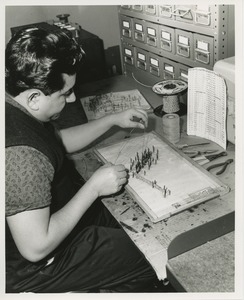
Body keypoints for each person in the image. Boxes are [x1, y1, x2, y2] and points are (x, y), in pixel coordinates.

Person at [5, 27, 159, 293]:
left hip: (54, 214)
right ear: (33, 98)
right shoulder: (21, 155)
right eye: (65, 94)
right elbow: (34, 248)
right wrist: (93, 188)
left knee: (137, 229)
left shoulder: (16, 106)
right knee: (148, 258)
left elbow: (57, 143)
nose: (73, 98)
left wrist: (111, 120)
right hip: (36, 263)